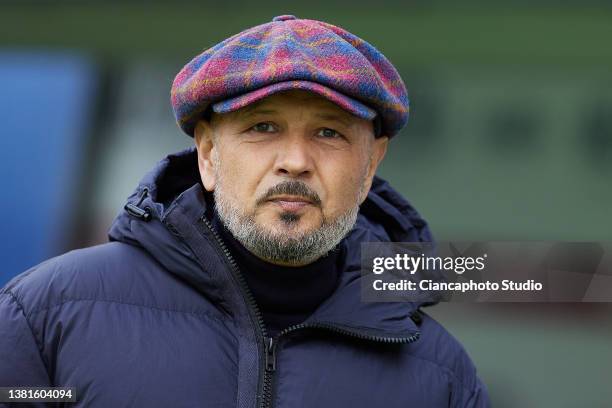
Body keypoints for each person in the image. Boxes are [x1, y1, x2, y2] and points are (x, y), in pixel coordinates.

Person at [0, 15, 489, 407]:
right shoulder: (49, 316)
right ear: (208, 154)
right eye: (263, 127)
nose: (295, 161)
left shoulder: (439, 377)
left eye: (329, 133)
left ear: (370, 165)